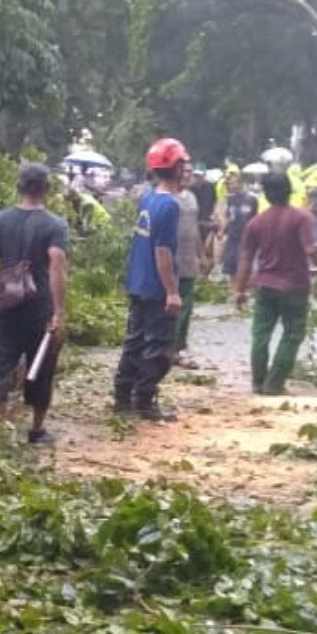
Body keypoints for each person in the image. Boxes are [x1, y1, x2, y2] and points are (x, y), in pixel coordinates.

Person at [0, 162, 69, 444]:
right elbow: (57, 265)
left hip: (5, 307)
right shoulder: (55, 225)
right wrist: (59, 312)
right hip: (40, 310)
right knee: (42, 369)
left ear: (19, 187)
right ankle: (36, 430)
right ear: (47, 189)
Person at [233, 173, 317, 395]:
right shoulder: (301, 217)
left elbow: (246, 256)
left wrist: (239, 290)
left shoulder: (256, 222)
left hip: (265, 286)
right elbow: (312, 249)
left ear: (266, 195)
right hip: (294, 287)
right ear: (290, 191)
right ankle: (274, 384)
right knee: (292, 334)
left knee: (260, 334)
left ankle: (258, 382)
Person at [112, 138, 187, 422]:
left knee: (134, 342)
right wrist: (172, 291)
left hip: (138, 282)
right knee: (159, 349)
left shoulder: (148, 198)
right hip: (156, 287)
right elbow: (163, 251)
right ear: (177, 167)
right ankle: (144, 401)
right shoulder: (169, 206)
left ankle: (122, 397)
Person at [174, 164, 204, 366]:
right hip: (169, 259)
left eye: (189, 172)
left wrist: (201, 254)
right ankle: (166, 347)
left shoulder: (191, 198)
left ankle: (178, 348)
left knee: (186, 307)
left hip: (188, 261)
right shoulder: (164, 197)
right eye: (183, 171)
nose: (187, 175)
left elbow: (194, 227)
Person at [217, 169, 259, 281]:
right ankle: (233, 292)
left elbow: (256, 218)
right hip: (232, 238)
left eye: (233, 183)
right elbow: (226, 216)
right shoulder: (229, 199)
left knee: (245, 267)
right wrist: (221, 230)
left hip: (246, 239)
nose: (230, 186)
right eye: (229, 183)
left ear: (240, 183)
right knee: (231, 268)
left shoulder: (252, 199)